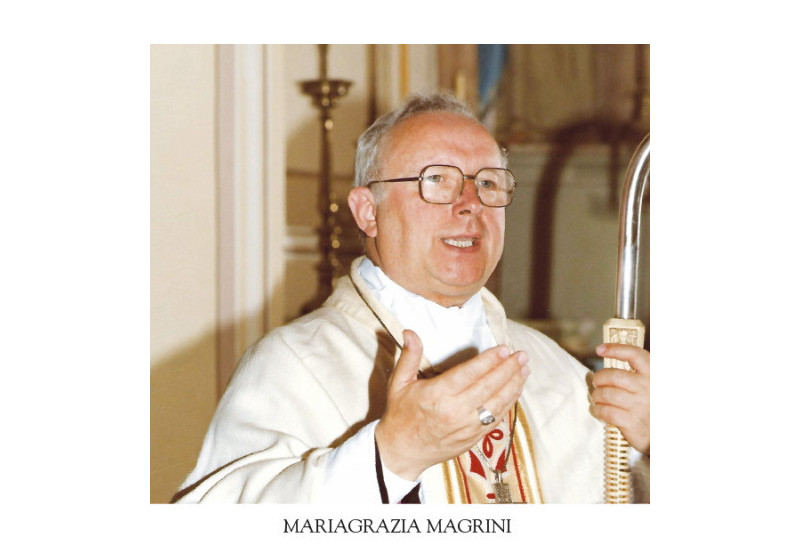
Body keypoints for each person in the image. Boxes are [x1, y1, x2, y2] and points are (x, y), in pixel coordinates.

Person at [174, 92, 649, 504]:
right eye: (437, 180)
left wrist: (655, 442)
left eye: (487, 183)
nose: (471, 203)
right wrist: (392, 455)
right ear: (368, 212)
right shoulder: (296, 364)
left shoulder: (554, 371)